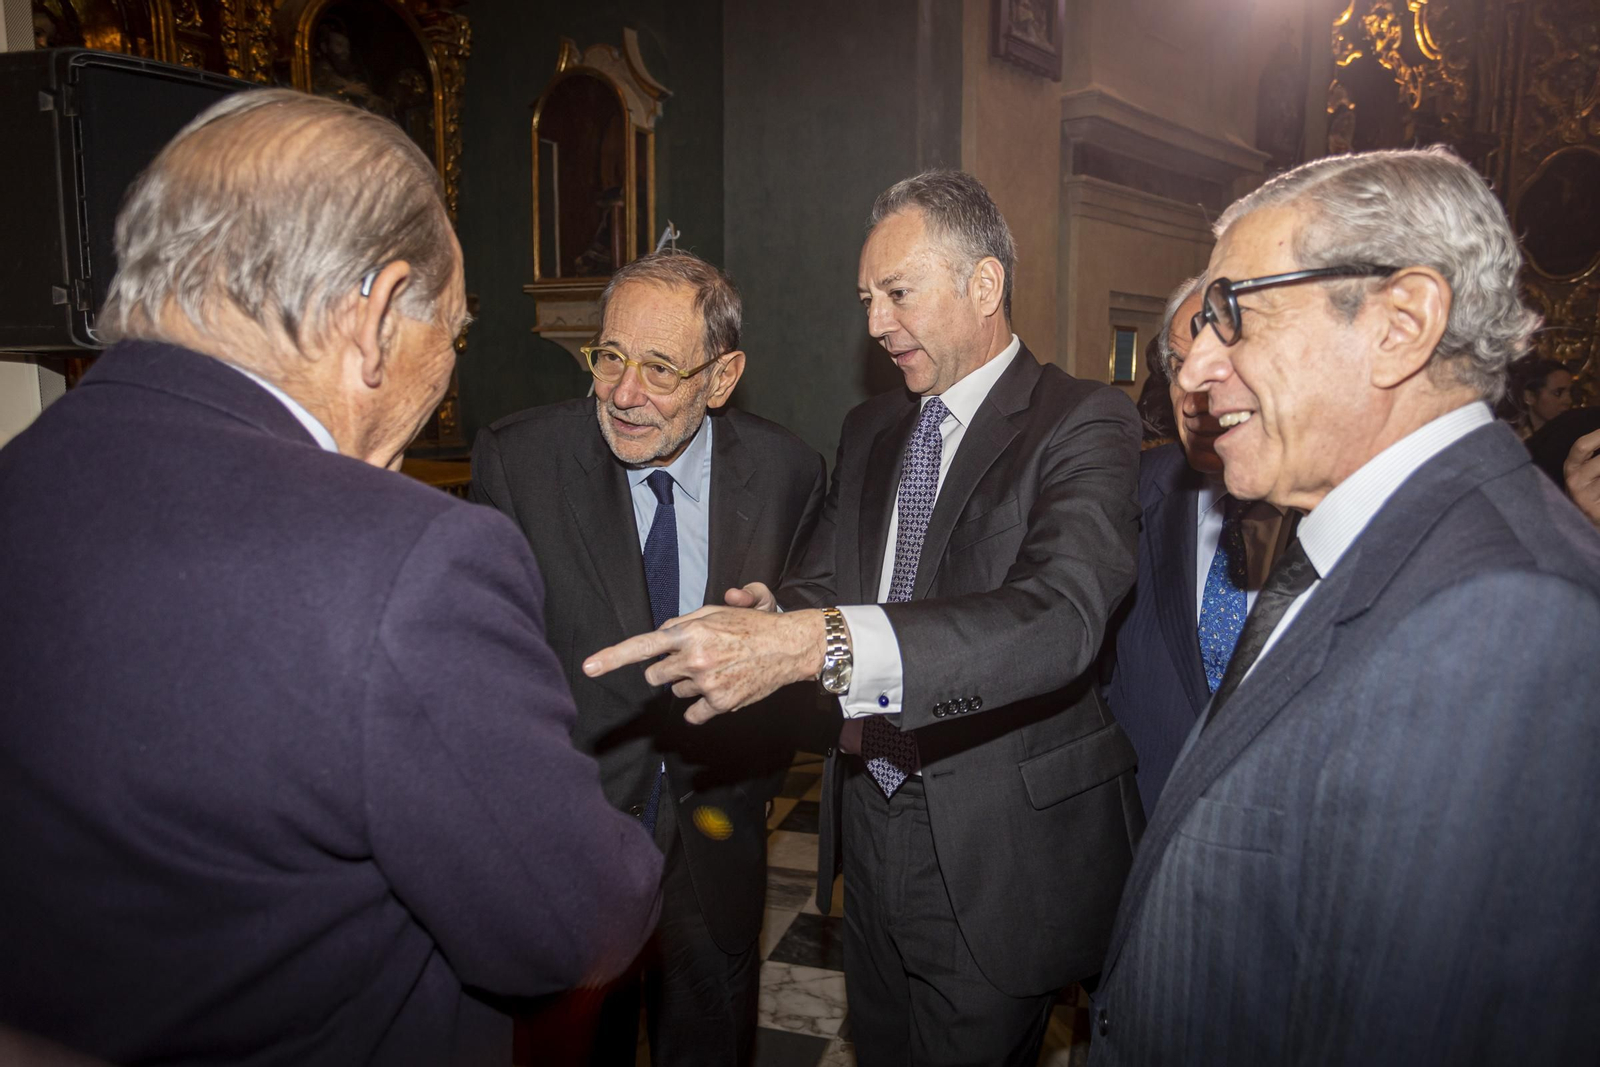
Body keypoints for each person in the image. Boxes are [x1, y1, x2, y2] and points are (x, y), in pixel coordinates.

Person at [0, 89, 663, 1066]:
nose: (448, 364)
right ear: (379, 313)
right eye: (454, 330)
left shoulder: (23, 474)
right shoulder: (410, 562)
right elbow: (573, 924)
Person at [587, 170, 1145, 1066]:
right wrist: (773, 614)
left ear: (984, 284)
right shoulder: (871, 429)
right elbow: (825, 583)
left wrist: (814, 640)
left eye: (897, 293)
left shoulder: (1082, 421)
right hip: (868, 817)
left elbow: (1058, 619)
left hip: (993, 841)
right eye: (866, 300)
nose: (877, 323)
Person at [1089, 147, 1600, 1065]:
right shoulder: (1369, 543)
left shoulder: (1505, 617)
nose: (1194, 370)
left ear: (1401, 323)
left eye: (1233, 315)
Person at [469, 249, 826, 1067]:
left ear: (722, 377)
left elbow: (798, 657)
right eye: (610, 357)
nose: (624, 393)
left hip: (716, 850)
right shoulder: (519, 460)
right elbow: (489, 673)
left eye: (660, 369)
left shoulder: (789, 473)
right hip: (568, 853)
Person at [1101, 278, 1294, 815]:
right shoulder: (1132, 491)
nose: (1193, 399)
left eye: (1222, 365)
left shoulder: (1339, 503)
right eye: (1179, 366)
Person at [1498, 354, 1573, 437]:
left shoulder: (1571, 435)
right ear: (1530, 396)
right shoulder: (1509, 438)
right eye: (1557, 393)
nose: (1568, 401)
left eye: (1570, 392)